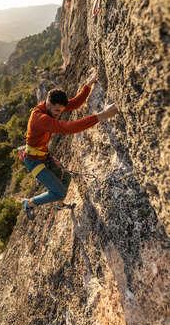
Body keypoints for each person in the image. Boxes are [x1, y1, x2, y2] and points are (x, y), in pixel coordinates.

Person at [22, 71, 118, 220]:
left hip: (43, 155)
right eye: (57, 111)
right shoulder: (40, 118)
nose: (59, 114)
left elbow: (73, 104)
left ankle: (59, 204)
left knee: (65, 177)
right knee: (59, 191)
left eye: (60, 111)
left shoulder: (52, 108)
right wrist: (102, 115)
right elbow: (69, 128)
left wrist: (88, 84)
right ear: (48, 104)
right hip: (33, 161)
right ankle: (29, 203)